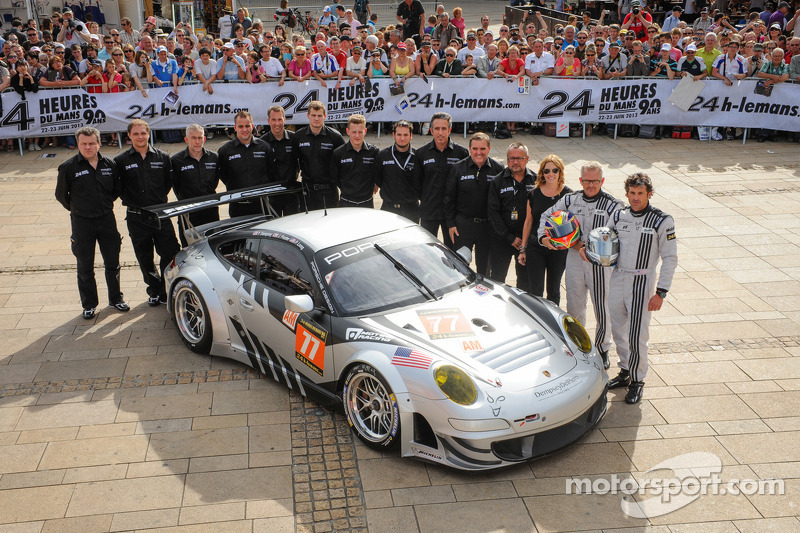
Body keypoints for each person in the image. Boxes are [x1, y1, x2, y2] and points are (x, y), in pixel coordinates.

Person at [587, 173, 677, 404]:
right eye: (632, 193)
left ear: (649, 194)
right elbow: (604, 241)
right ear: (626, 193)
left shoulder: (662, 220)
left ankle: (638, 381)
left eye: (640, 193)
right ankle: (626, 371)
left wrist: (661, 292)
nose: (636, 198)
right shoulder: (618, 215)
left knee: (637, 334)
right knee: (618, 329)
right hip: (617, 278)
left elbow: (670, 258)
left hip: (642, 281)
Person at [535, 162, 621, 368]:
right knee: (574, 307)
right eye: (587, 181)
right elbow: (547, 215)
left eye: (595, 181)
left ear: (602, 181)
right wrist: (543, 237)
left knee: (603, 308)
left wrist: (587, 247)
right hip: (574, 261)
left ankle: (602, 348)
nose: (591, 185)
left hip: (600, 265)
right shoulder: (570, 199)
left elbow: (617, 236)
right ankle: (578, 347)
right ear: (580, 181)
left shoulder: (613, 205)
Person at [55, 127, 128, 319]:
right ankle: (89, 304)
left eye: (91, 143)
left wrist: (103, 205)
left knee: (113, 262)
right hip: (82, 224)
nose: (88, 147)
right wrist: (79, 209)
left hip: (106, 220)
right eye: (83, 144)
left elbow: (115, 190)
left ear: (99, 143)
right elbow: (61, 196)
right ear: (78, 144)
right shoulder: (68, 168)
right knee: (85, 266)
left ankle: (115, 299)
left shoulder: (110, 165)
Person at [115, 119, 180, 306]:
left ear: (149, 134)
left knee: (169, 251)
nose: (140, 137)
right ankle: (154, 290)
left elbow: (168, 183)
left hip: (160, 213)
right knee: (144, 256)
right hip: (136, 216)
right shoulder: (121, 161)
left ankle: (167, 288)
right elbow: (118, 187)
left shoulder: (162, 157)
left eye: (143, 133)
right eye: (135, 133)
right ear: (129, 136)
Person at [444, 133, 504, 276]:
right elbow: (448, 198)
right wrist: (451, 224)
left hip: (487, 227)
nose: (479, 152)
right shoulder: (458, 168)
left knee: (484, 269)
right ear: (469, 149)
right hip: (463, 226)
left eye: (482, 149)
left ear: (489, 149)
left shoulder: (498, 169)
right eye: (475, 148)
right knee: (460, 267)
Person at [518, 154, 572, 305]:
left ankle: (552, 322)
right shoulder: (534, 194)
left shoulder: (568, 195)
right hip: (536, 248)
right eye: (546, 171)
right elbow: (528, 222)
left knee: (554, 290)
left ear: (560, 172)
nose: (551, 174)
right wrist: (523, 248)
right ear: (541, 173)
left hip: (559, 250)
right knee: (536, 290)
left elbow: (573, 224)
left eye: (555, 170)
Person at [488, 143, 536, 290]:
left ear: (527, 159)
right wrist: (509, 238)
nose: (515, 162)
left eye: (519, 158)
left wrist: (525, 241)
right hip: (503, 239)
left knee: (525, 282)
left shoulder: (536, 180)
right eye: (511, 159)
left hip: (526, 240)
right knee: (497, 279)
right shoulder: (498, 181)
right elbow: (493, 212)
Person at [416, 112, 469, 242]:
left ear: (449, 130)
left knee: (453, 251)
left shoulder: (461, 153)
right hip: (429, 211)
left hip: (453, 214)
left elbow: (465, 183)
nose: (440, 132)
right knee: (427, 250)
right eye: (437, 129)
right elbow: (417, 183)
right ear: (431, 131)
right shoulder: (421, 153)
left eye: (444, 128)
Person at [216, 111, 274, 217]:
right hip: (237, 206)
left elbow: (271, 172)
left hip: (261, 205)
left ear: (252, 126)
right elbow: (222, 174)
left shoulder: (265, 147)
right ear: (235, 127)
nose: (244, 129)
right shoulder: (225, 150)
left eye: (247, 126)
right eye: (241, 126)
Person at [170, 124, 220, 246]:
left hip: (210, 211)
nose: (197, 142)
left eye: (200, 138)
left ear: (204, 139)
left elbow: (215, 181)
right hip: (188, 214)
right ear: (186, 139)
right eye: (193, 138)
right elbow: (175, 185)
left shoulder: (214, 158)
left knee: (213, 246)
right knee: (189, 250)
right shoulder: (176, 160)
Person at [293, 101, 346, 211]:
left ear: (325, 116)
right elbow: (294, 164)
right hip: (307, 193)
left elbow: (344, 164)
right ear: (308, 116)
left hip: (329, 192)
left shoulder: (335, 137)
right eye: (313, 115)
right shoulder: (298, 137)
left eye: (319, 116)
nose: (316, 119)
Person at [376, 121, 422, 222]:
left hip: (411, 210)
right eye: (399, 134)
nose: (402, 138)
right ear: (393, 135)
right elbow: (378, 181)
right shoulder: (383, 155)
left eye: (406, 135)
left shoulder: (418, 156)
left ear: (411, 136)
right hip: (388, 208)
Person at [330, 114, 380, 208]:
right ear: (347, 131)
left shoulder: (374, 152)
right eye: (354, 132)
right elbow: (334, 178)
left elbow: (378, 174)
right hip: (345, 203)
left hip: (367, 203)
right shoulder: (338, 153)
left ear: (365, 131)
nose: (357, 135)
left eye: (360, 132)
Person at [756, 47, 789, 142]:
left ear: (782, 57)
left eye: (779, 56)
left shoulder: (785, 66)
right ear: (772, 56)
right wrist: (773, 76)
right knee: (764, 112)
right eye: (775, 56)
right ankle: (762, 134)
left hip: (779, 95)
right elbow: (760, 74)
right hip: (766, 93)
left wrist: (770, 81)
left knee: (775, 112)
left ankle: (771, 134)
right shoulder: (767, 64)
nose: (777, 58)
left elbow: (785, 77)